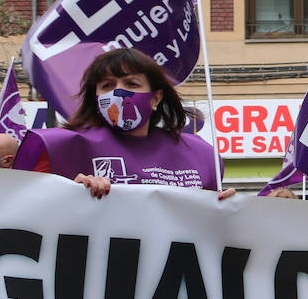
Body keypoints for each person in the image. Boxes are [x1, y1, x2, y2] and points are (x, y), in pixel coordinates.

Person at [14, 47, 231, 199]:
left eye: (131, 83)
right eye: (107, 85)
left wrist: (226, 207)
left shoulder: (199, 154)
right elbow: (26, 208)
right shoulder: (59, 148)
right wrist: (71, 193)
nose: (119, 92)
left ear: (155, 98)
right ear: (96, 97)